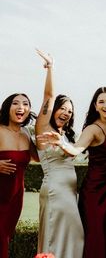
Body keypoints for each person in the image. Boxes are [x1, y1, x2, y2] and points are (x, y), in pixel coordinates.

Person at [39, 84, 106, 258]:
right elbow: (76, 150)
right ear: (95, 106)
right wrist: (62, 144)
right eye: (101, 102)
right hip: (94, 190)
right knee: (95, 237)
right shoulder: (92, 129)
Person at [33, 50, 84, 258]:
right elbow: (48, 96)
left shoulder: (66, 135)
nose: (66, 113)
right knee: (57, 238)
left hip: (70, 193)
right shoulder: (43, 127)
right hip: (55, 191)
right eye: (62, 108)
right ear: (54, 110)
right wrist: (51, 68)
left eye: (70, 111)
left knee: (73, 236)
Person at [0, 92, 36, 258]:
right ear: (7, 107)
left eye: (25, 104)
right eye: (15, 103)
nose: (21, 107)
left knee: (5, 237)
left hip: (15, 196)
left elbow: (39, 156)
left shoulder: (27, 134)